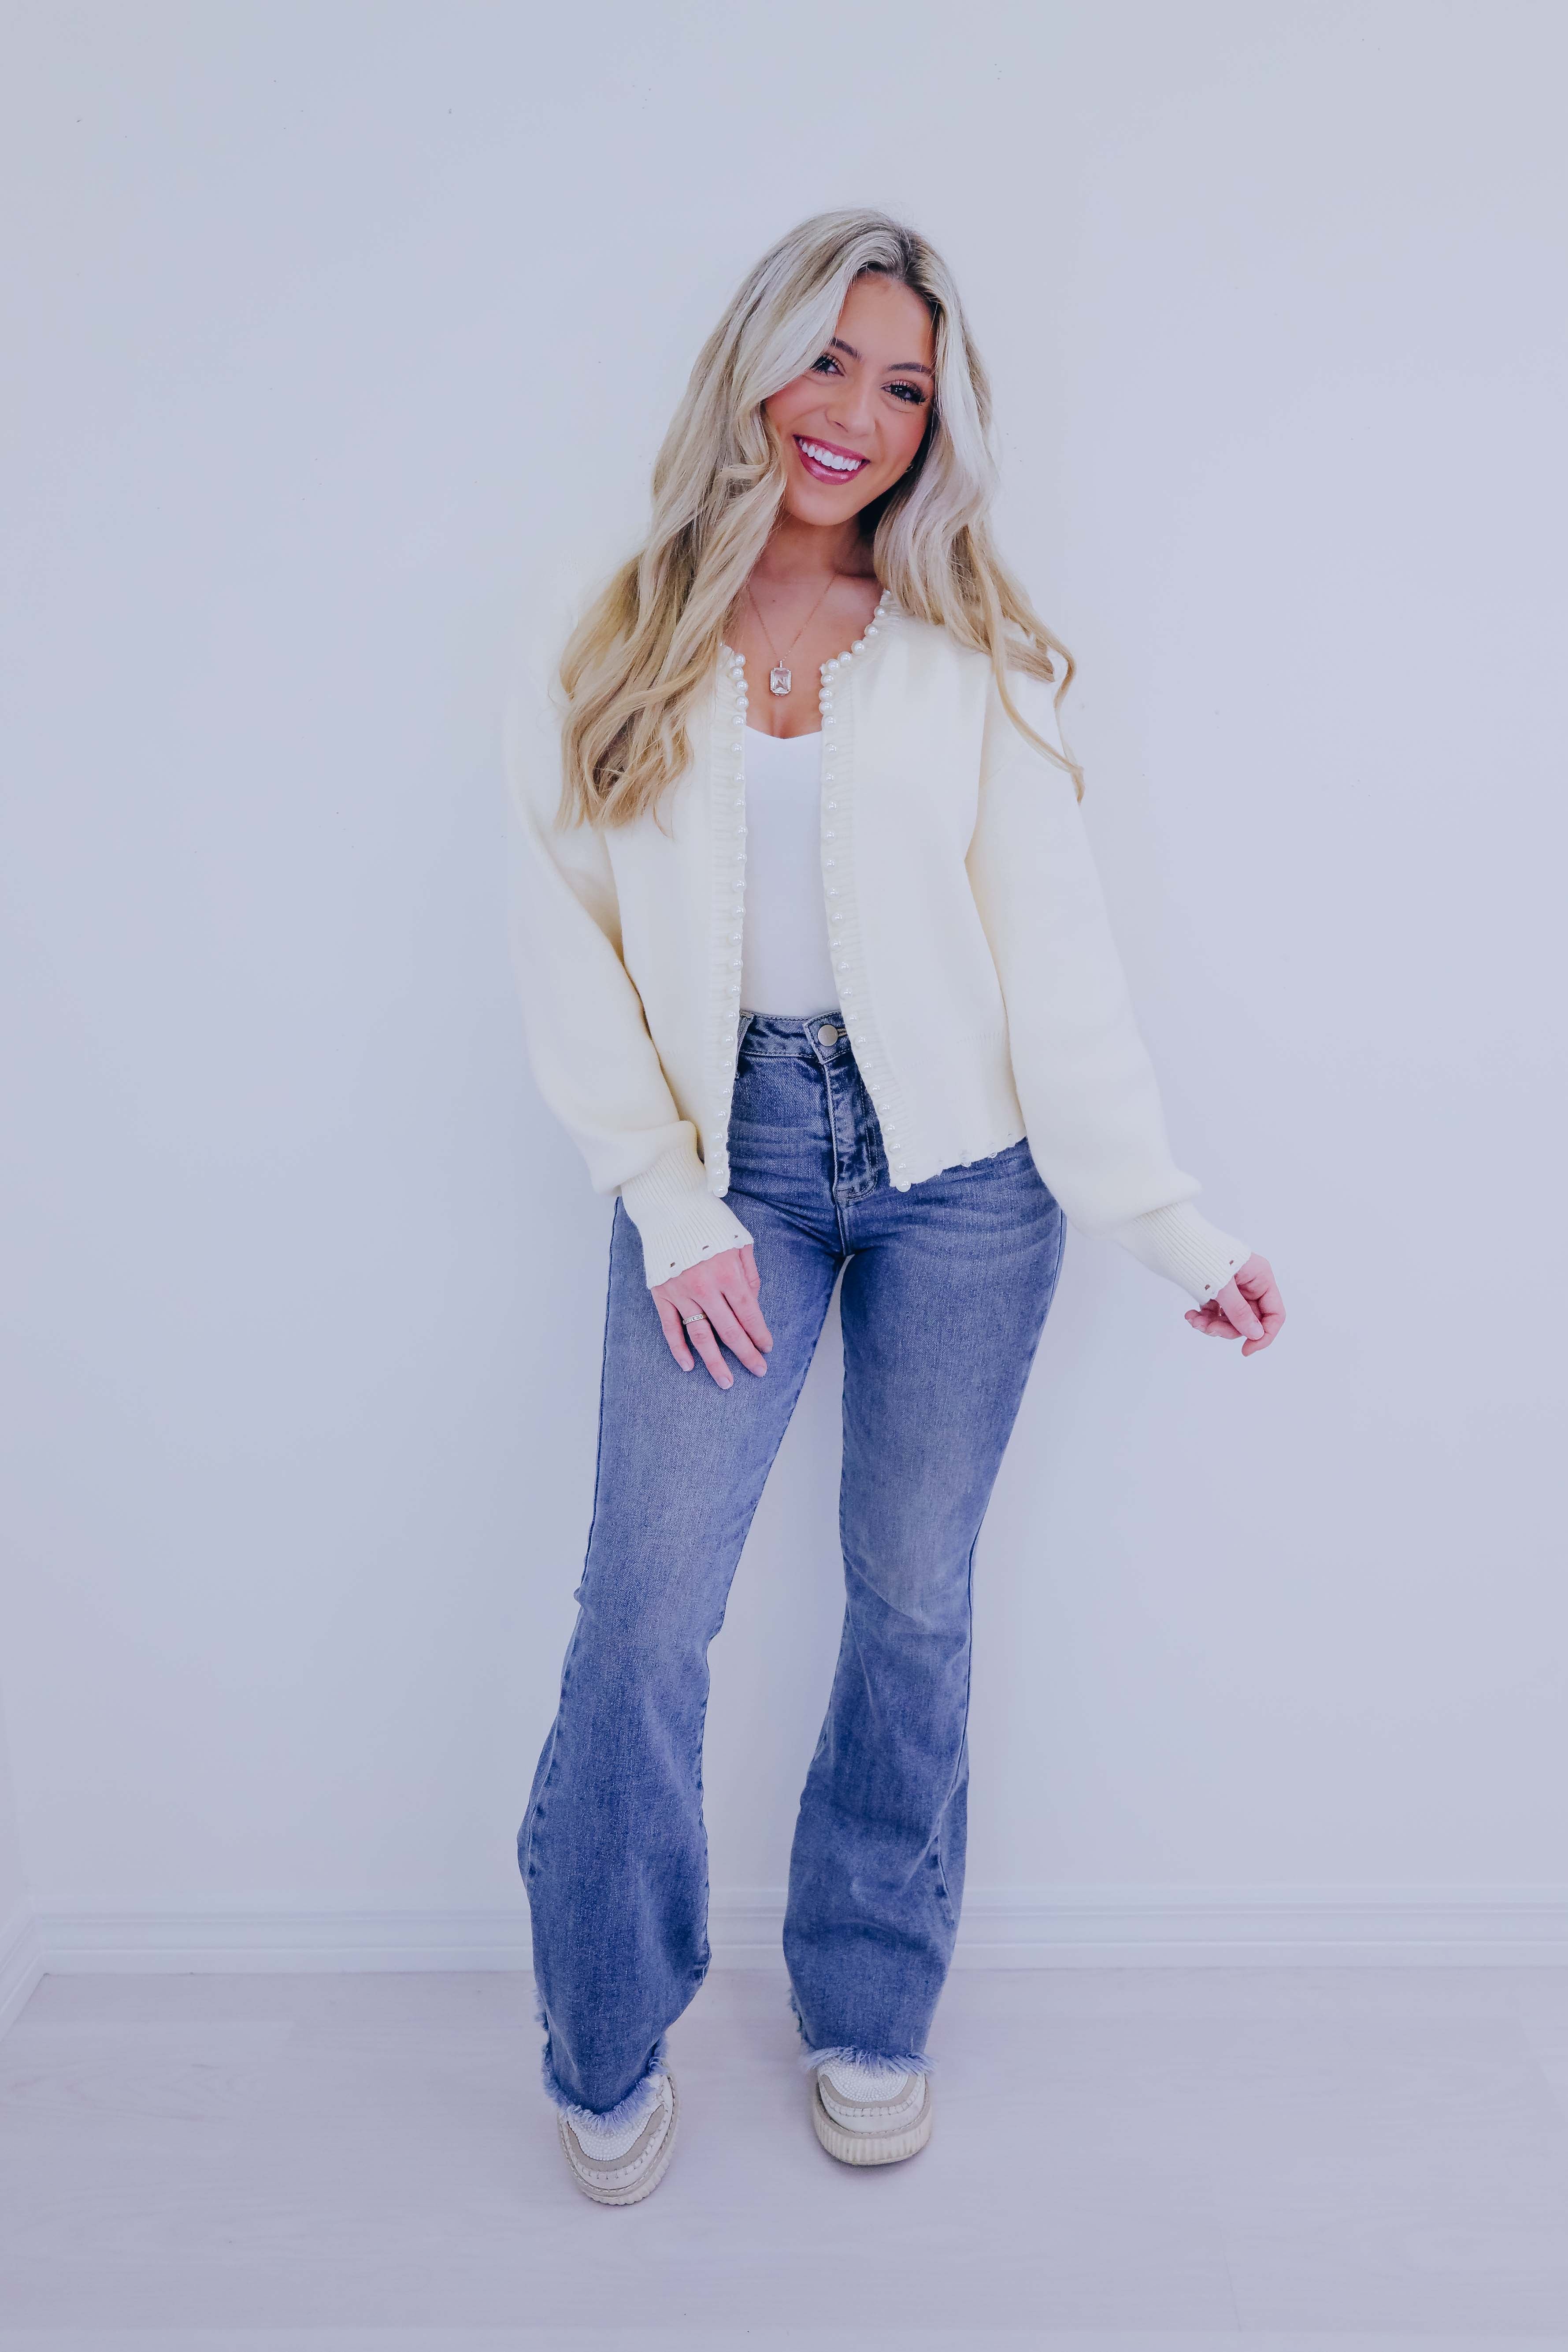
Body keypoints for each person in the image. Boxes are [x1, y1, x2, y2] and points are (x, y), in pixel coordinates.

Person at [504, 208, 1284, 2207]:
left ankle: (867, 2002)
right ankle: (604, 2030)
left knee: (913, 1603)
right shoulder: (612, 627)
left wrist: (1168, 1221)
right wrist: (666, 1197)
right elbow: (563, 938)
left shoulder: (965, 654)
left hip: (964, 1184)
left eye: (906, 385)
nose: (857, 412)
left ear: (940, 425)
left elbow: (1056, 970)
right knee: (641, 1618)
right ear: (753, 363)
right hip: (728, 1172)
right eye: (827, 359)